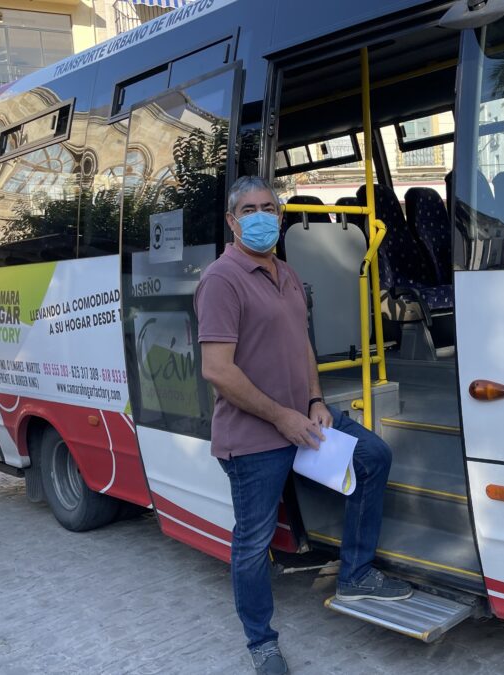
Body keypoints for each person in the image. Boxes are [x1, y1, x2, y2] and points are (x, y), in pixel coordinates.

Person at [196, 176, 412, 675]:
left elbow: (303, 345)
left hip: (303, 417)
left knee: (373, 456)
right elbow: (217, 370)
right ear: (232, 221)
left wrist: (315, 400)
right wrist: (282, 417)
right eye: (248, 209)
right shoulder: (221, 280)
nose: (259, 216)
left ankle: (355, 573)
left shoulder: (287, 274)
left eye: (268, 207)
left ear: (281, 215)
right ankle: (261, 644)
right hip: (255, 435)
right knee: (252, 542)